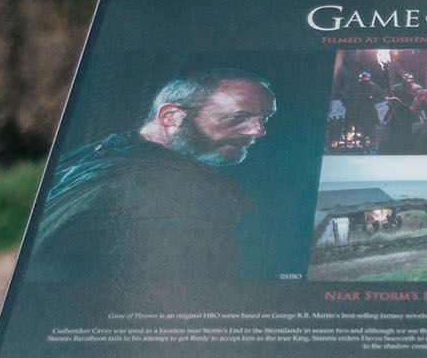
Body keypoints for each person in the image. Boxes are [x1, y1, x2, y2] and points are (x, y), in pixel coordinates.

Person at [30, 68, 275, 292]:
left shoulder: (98, 153)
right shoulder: (165, 192)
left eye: (264, 119)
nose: (258, 131)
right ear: (170, 116)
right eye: (238, 117)